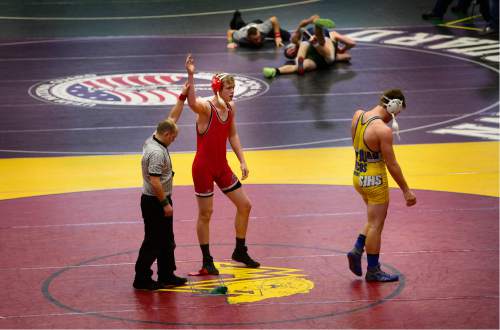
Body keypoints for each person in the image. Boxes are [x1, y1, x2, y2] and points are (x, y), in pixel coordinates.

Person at [185, 54, 259, 275]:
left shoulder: (230, 108)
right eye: (229, 88)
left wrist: (242, 160)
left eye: (234, 88)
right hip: (203, 169)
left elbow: (233, 135)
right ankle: (207, 261)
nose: (232, 92)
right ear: (218, 88)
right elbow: (191, 103)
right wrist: (191, 74)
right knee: (206, 214)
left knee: (245, 205)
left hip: (221, 166)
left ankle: (240, 250)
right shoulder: (207, 108)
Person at [346, 89, 417, 282]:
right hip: (375, 180)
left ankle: (357, 248)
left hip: (358, 176)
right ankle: (373, 269)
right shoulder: (382, 130)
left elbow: (355, 145)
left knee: (371, 219)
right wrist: (406, 190)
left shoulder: (358, 115)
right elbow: (392, 164)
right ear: (393, 106)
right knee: (377, 224)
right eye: (398, 112)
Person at [133, 80, 191, 290]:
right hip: (155, 201)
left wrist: (182, 97)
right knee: (153, 241)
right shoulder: (157, 152)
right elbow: (155, 181)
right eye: (173, 138)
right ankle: (142, 278)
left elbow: (172, 118)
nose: (174, 141)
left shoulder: (154, 137)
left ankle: (167, 274)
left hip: (158, 199)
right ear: (167, 135)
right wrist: (165, 203)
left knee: (167, 240)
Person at [262, 15, 355, 78]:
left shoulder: (297, 41)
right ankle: (317, 30)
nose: (291, 51)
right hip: (322, 55)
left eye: (290, 50)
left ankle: (276, 71)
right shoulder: (332, 35)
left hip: (317, 56)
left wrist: (341, 51)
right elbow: (351, 45)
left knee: (302, 61)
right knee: (328, 55)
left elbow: (348, 54)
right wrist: (342, 49)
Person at [226, 10, 290, 49]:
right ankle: (237, 15)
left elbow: (274, 19)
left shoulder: (263, 29)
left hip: (257, 23)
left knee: (287, 36)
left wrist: (277, 37)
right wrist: (230, 43)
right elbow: (230, 32)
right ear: (248, 38)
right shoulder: (241, 36)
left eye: (259, 37)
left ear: (259, 32)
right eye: (255, 39)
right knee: (238, 24)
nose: (259, 41)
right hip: (244, 27)